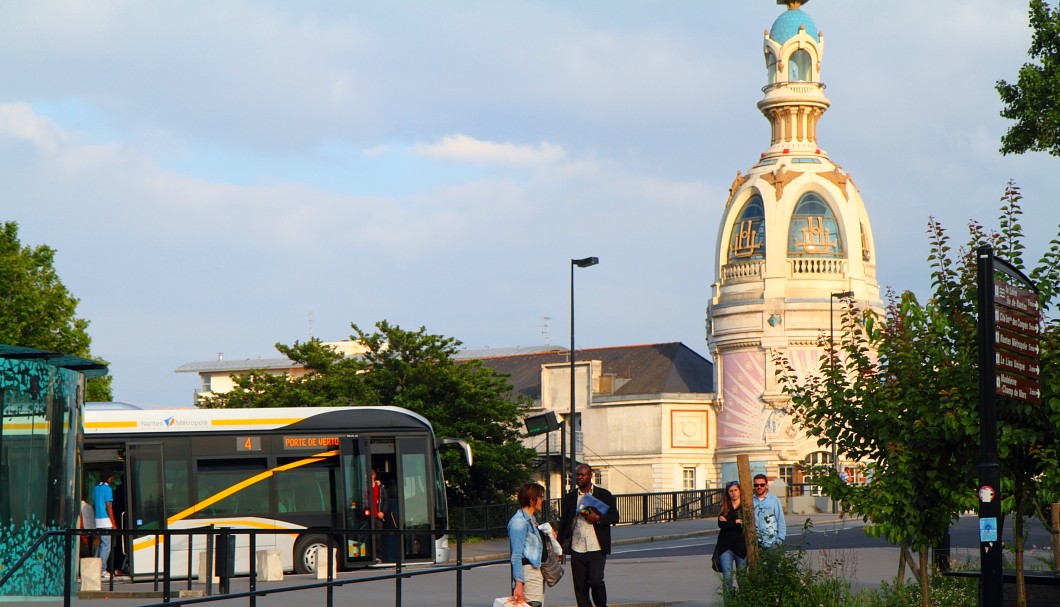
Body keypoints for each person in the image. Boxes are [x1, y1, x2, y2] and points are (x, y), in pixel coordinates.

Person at [558, 464, 619, 607]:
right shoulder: (570, 498)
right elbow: (565, 522)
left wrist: (598, 519)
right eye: (577, 475)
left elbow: (615, 517)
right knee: (580, 587)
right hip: (577, 547)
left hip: (596, 546)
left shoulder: (604, 495)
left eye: (583, 475)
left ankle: (601, 604)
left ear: (590, 475)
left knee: (596, 580)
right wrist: (559, 547)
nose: (579, 478)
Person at [508, 482, 553, 607]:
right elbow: (516, 556)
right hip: (528, 573)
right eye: (541, 497)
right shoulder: (519, 522)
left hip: (536, 571)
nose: (542, 500)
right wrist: (518, 584)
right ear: (532, 500)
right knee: (534, 604)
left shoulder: (531, 519)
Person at [715, 481, 748, 602]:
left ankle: (744, 601)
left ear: (739, 491)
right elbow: (721, 525)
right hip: (725, 546)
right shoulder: (725, 507)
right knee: (727, 577)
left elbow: (744, 525)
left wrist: (728, 522)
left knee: (742, 578)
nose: (733, 493)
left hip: (741, 546)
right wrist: (735, 522)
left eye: (735, 490)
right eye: (730, 491)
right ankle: (728, 602)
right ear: (727, 493)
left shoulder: (745, 507)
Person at [93, 470, 118, 579]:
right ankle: (102, 570)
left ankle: (95, 567)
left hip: (97, 520)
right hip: (106, 521)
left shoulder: (96, 488)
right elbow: (109, 506)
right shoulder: (108, 489)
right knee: (106, 546)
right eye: (112, 477)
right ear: (109, 478)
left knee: (100, 545)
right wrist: (113, 523)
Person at [751, 474, 785, 548]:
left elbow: (780, 520)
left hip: (772, 542)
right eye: (756, 485)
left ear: (766, 485)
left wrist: (780, 539)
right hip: (756, 543)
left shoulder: (774, 500)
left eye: (762, 485)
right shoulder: (750, 501)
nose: (759, 487)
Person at [364, 469, 389, 562]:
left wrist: (383, 512)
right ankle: (368, 556)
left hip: (377, 516)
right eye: (366, 476)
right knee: (368, 537)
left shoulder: (380, 487)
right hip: (367, 517)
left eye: (369, 475)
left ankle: (378, 557)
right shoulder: (364, 487)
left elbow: (385, 500)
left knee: (378, 537)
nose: (367, 477)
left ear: (374, 476)